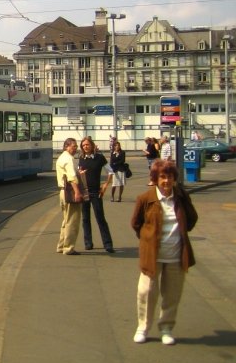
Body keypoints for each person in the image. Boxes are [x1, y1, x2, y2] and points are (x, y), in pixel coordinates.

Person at [130, 159, 198, 345]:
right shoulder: (146, 199)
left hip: (176, 254)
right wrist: (147, 239)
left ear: (174, 178)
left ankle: (166, 328)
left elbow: (191, 219)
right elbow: (136, 223)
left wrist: (179, 234)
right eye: (162, 177)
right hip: (152, 255)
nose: (166, 181)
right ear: (156, 179)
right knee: (146, 291)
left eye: (169, 177)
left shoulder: (181, 197)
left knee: (172, 294)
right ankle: (142, 327)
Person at [78, 137, 115, 253]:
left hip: (95, 192)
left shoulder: (99, 158)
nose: (85, 147)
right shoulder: (81, 159)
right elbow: (80, 174)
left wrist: (105, 185)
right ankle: (88, 243)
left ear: (92, 145)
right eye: (83, 145)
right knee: (85, 218)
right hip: (85, 192)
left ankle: (107, 244)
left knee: (100, 218)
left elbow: (110, 171)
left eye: (87, 144)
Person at [55, 137, 82, 256]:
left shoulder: (61, 157)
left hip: (62, 192)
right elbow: (71, 178)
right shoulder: (69, 159)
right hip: (70, 192)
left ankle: (61, 246)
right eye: (73, 146)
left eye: (76, 146)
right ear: (66, 146)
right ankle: (68, 247)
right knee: (72, 221)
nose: (75, 148)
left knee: (66, 220)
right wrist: (77, 192)